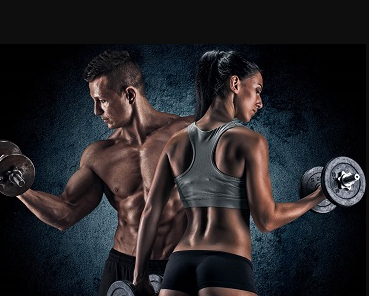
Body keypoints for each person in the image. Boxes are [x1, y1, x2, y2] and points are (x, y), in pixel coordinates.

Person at [132, 49, 327, 296]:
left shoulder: (175, 142)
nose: (260, 102)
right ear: (235, 83)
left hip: (178, 267)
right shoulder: (250, 142)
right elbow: (267, 220)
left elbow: (150, 211)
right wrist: (319, 196)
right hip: (226, 265)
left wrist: (139, 279)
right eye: (257, 90)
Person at [16, 50, 194, 296]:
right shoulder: (100, 155)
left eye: (102, 100)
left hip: (182, 264)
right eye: (94, 101)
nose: (96, 111)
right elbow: (65, 214)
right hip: (123, 266)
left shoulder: (189, 133)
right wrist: (20, 189)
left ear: (129, 94)